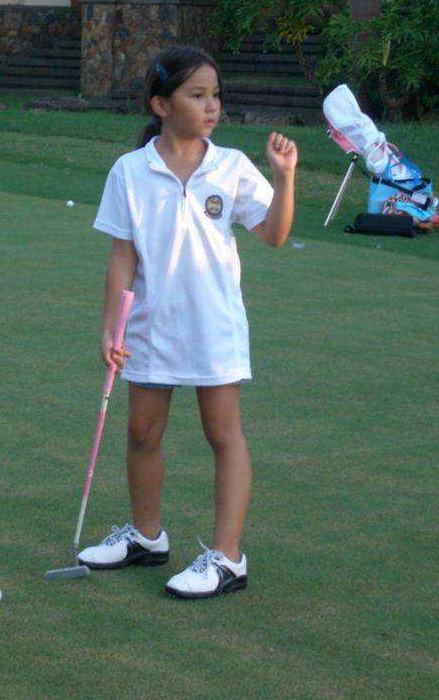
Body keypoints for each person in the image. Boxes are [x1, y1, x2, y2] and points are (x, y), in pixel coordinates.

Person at [78, 45, 297, 599]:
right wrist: (110, 327)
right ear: (161, 104)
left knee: (222, 435)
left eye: (216, 94)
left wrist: (285, 178)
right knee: (141, 433)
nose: (212, 105)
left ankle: (227, 558)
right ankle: (147, 537)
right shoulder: (131, 170)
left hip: (213, 326)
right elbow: (122, 257)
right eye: (197, 95)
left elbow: (274, 235)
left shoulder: (232, 167)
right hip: (150, 327)